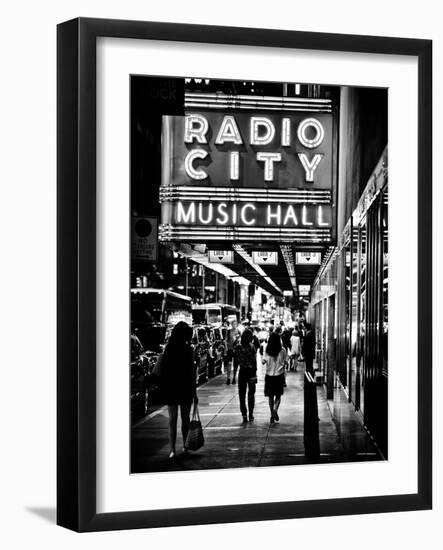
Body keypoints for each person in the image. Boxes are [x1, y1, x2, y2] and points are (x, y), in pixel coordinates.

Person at [159, 321, 197, 459]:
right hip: (185, 386)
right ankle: (185, 446)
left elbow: (163, 368)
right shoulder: (189, 350)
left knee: (172, 419)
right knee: (185, 419)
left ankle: (172, 450)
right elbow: (192, 373)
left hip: (171, 386)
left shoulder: (168, 348)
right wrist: (194, 392)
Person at [262, 332, 288, 423]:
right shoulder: (283, 350)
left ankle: (271, 414)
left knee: (270, 396)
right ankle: (275, 411)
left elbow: (263, 361)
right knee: (278, 395)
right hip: (279, 375)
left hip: (269, 376)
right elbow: (286, 361)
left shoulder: (267, 349)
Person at [234, 329, 258, 422]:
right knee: (251, 394)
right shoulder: (252, 347)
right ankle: (251, 414)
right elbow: (254, 361)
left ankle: (244, 414)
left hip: (242, 372)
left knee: (242, 394)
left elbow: (236, 360)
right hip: (251, 372)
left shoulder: (238, 347)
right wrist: (255, 373)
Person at [225, 319, 241, 384]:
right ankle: (228, 378)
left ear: (236, 325)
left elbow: (240, 341)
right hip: (230, 350)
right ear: (231, 325)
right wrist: (226, 349)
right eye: (233, 324)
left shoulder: (239, 332)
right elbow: (226, 341)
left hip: (236, 350)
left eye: (235, 324)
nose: (234, 325)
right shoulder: (228, 331)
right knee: (229, 364)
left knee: (235, 365)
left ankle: (234, 377)